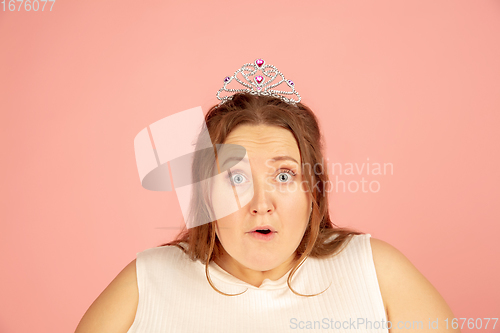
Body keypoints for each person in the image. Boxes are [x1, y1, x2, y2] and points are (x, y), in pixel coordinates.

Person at [75, 59, 459, 333]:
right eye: (236, 177)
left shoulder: (376, 272)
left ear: (314, 193)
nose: (261, 203)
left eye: (285, 175)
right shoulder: (147, 281)